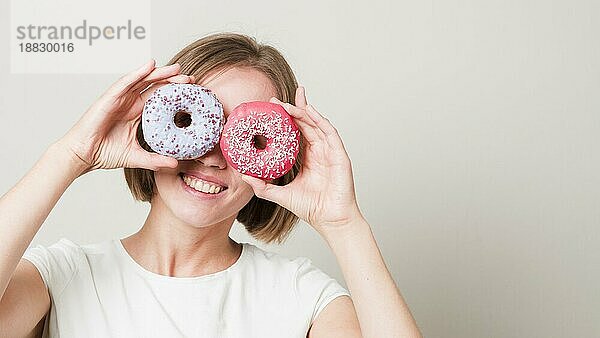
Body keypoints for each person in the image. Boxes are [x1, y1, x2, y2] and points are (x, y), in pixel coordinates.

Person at [0, 33, 421, 337]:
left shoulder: (303, 299)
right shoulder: (66, 276)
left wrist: (344, 224)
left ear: (279, 162)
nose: (215, 155)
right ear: (154, 125)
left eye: (246, 134)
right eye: (199, 122)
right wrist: (70, 156)